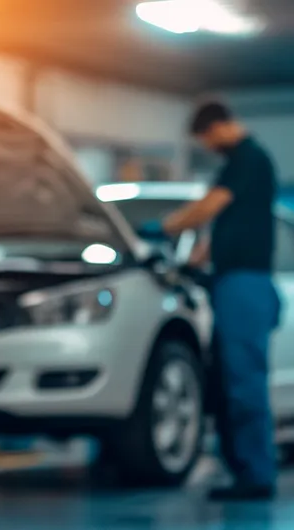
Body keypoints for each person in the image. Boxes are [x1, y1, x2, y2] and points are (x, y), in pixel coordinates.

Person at [141, 101, 280, 501]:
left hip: (245, 286)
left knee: (244, 383)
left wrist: (163, 227)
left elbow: (208, 208)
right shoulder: (242, 165)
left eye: (205, 139)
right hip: (231, 284)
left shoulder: (249, 159)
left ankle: (256, 476)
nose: (207, 146)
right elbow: (219, 232)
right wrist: (187, 262)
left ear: (218, 128)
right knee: (229, 382)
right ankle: (244, 471)